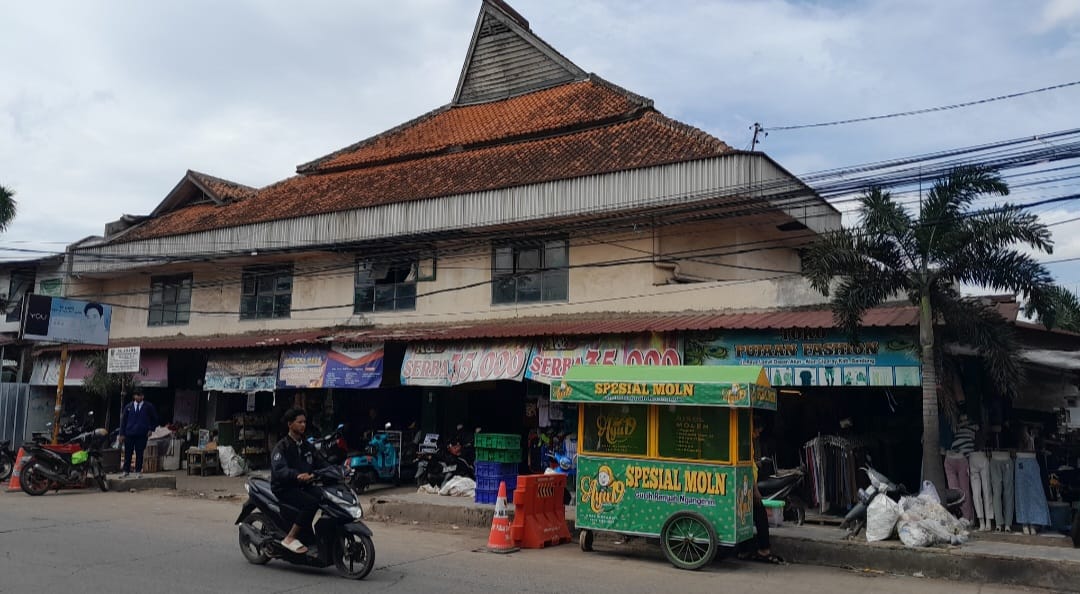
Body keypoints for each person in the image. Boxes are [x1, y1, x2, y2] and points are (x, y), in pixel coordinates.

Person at [270, 408, 328, 554]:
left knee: (324, 497)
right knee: (310, 503)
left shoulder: (307, 445)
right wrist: (296, 475)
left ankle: (308, 533)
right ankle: (290, 537)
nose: (303, 425)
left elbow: (321, 462)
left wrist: (337, 470)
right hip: (285, 488)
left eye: (305, 422)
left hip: (302, 485)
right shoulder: (281, 447)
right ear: (290, 424)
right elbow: (280, 470)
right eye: (299, 422)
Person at [739, 414, 784, 564]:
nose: (758, 434)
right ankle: (763, 549)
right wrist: (755, 489)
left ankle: (744, 550)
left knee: (745, 515)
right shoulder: (745, 441)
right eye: (757, 431)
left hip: (745, 484)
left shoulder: (748, 441)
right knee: (759, 515)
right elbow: (748, 467)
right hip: (747, 485)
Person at [118, 389, 158, 478]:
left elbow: (154, 418)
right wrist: (121, 434)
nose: (138, 397)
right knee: (128, 453)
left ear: (143, 396)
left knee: (139, 453)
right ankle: (126, 471)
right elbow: (123, 421)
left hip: (142, 434)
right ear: (134, 396)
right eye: (137, 395)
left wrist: (151, 429)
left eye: (140, 395)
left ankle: (138, 471)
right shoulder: (128, 407)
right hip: (129, 433)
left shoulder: (148, 407)